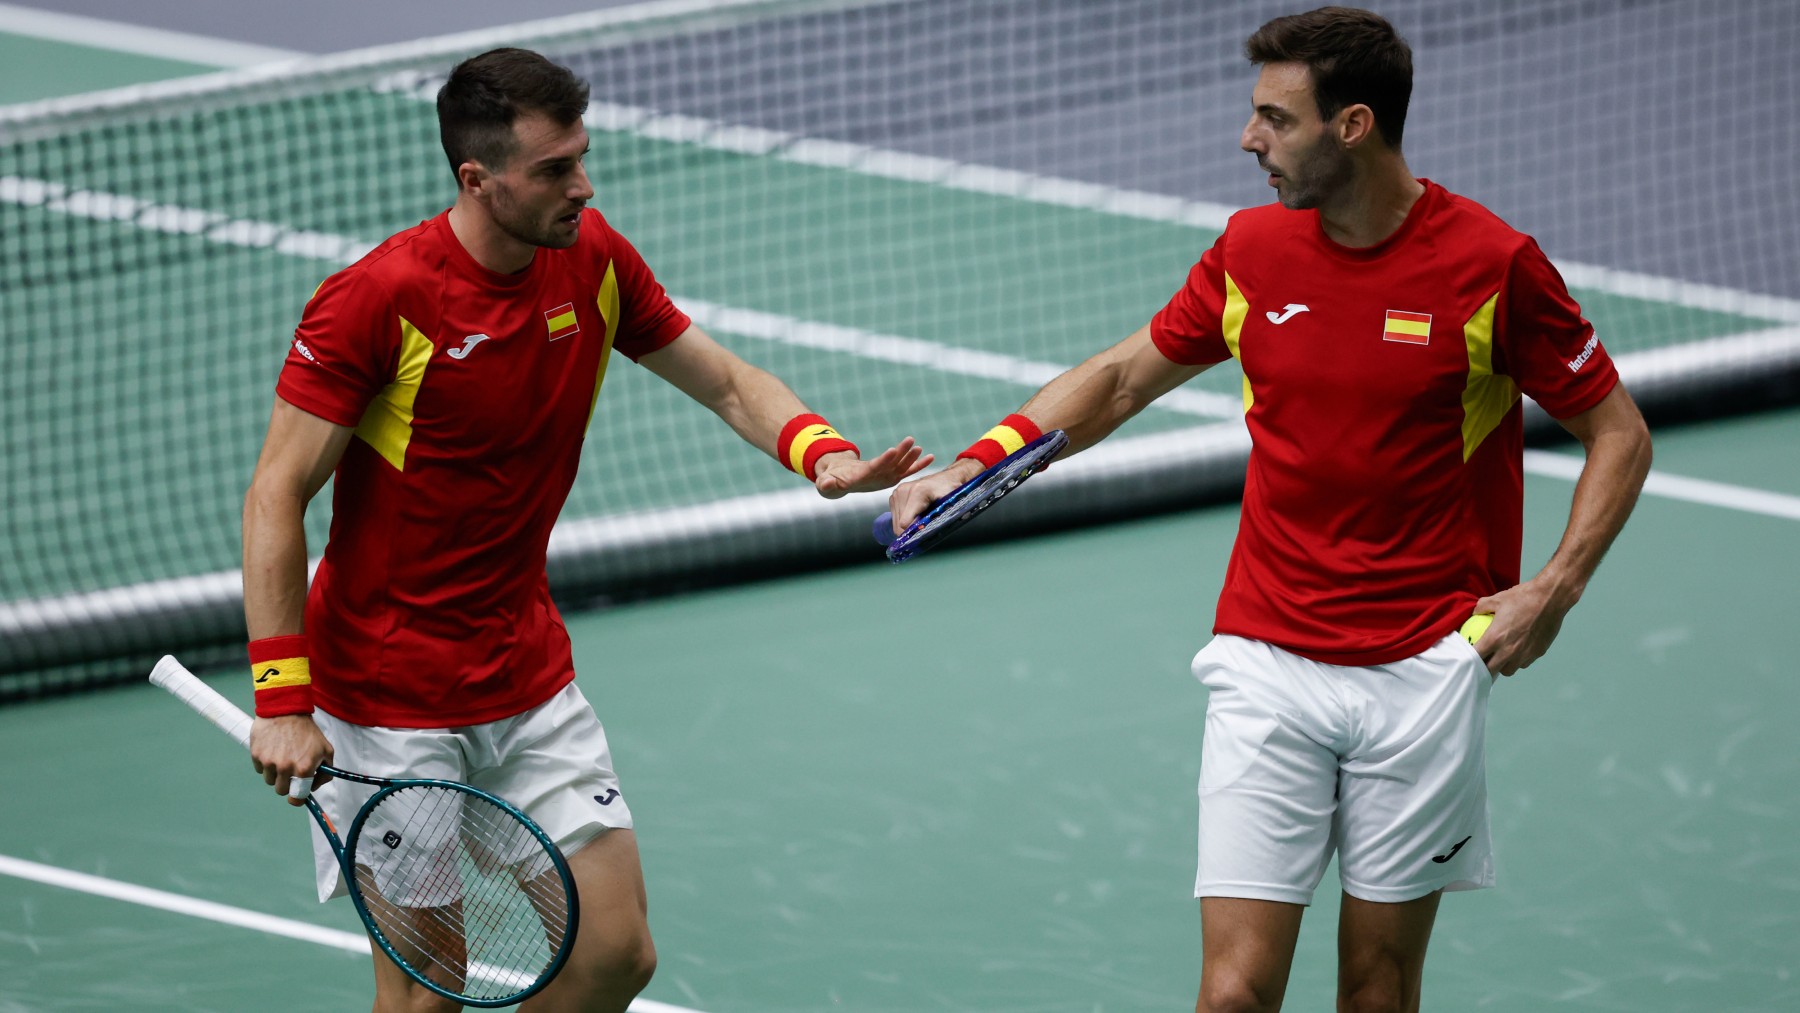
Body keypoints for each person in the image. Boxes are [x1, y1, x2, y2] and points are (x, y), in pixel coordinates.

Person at [888, 8, 1652, 1011]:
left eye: (1274, 119)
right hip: (1267, 658)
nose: (1249, 140)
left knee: (1377, 985)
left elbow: (1618, 432)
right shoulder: (1252, 250)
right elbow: (1120, 378)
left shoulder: (1491, 265)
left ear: (1354, 125)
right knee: (1234, 990)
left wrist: (1554, 589)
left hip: (1422, 668)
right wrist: (977, 462)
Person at [243, 47, 929, 1013]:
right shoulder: (380, 300)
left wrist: (824, 455)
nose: (584, 184)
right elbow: (277, 493)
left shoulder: (593, 257)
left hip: (524, 671)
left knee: (616, 952)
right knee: (426, 999)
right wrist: (282, 694)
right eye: (555, 168)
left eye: (582, 156)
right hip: (388, 697)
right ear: (478, 180)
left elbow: (725, 378)